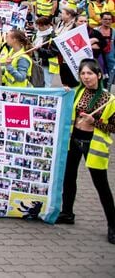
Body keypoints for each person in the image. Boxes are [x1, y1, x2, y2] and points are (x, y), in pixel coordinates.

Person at [57, 59, 114, 244]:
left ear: (98, 75)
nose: (86, 77)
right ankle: (67, 213)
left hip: (93, 144)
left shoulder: (108, 99)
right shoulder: (78, 92)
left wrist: (95, 122)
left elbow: (113, 127)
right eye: (83, 74)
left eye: (90, 73)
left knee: (101, 185)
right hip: (74, 140)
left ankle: (112, 225)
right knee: (69, 177)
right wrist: (64, 94)